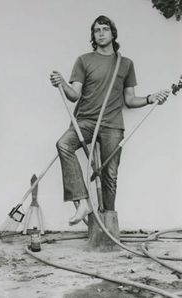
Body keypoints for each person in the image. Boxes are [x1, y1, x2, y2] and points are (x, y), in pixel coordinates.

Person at [50, 15, 169, 226]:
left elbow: (130, 100)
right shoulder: (83, 60)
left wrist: (151, 98)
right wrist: (61, 83)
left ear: (113, 33)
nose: (101, 33)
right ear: (93, 35)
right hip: (86, 121)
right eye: (97, 30)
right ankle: (82, 202)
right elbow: (74, 94)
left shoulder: (125, 64)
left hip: (112, 124)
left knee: (110, 174)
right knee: (63, 144)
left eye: (105, 29)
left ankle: (107, 223)